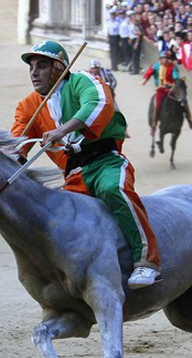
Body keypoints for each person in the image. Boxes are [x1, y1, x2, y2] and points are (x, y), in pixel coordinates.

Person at [11, 40, 162, 288]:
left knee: (114, 190)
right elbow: (18, 141)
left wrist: (63, 130)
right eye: (31, 67)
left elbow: (99, 104)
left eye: (41, 66)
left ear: (59, 68)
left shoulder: (83, 80)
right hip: (73, 176)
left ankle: (147, 262)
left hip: (106, 162)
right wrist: (13, 157)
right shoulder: (28, 106)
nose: (34, 72)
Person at [141, 51, 192, 134]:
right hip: (161, 89)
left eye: (167, 59)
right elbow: (149, 73)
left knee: (183, 100)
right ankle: (154, 125)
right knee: (157, 105)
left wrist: (177, 81)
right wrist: (144, 80)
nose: (165, 60)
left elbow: (175, 76)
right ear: (160, 59)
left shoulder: (173, 66)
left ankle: (189, 118)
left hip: (172, 88)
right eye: (163, 59)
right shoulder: (155, 66)